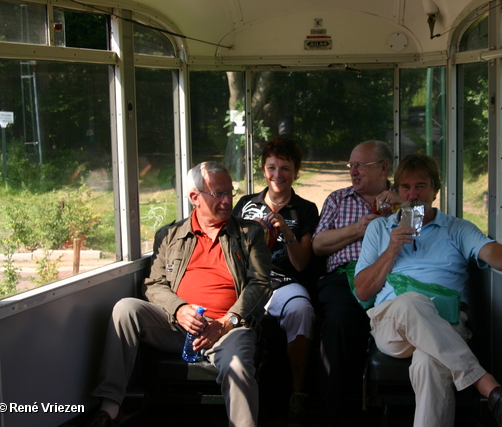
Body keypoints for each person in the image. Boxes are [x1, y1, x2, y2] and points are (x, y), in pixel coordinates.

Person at [86, 161, 272, 427]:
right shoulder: (170, 235)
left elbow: (261, 284)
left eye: (230, 192)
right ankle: (110, 407)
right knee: (126, 309)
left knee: (238, 365)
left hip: (228, 329)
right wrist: (178, 309)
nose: (228, 200)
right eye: (218, 193)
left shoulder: (248, 233)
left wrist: (226, 322)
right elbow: (153, 284)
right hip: (175, 327)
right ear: (194, 197)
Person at [354, 153, 502, 427]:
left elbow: (489, 250)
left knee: (430, 363)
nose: (413, 195)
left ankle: (488, 392)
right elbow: (364, 291)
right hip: (393, 324)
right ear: (397, 192)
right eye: (406, 187)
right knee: (411, 300)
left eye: (421, 186)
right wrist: (391, 250)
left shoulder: (456, 228)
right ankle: (489, 387)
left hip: (446, 322)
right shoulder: (380, 228)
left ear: (435, 191)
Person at [233, 137, 319, 426]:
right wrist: (250, 237)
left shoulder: (305, 209)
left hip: (284, 281)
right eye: (272, 167)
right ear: (263, 169)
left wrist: (287, 233)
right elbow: (227, 250)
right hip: (247, 280)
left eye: (285, 168)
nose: (278, 175)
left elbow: (302, 263)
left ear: (296, 171)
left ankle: (298, 391)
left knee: (302, 310)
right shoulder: (246, 205)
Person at [311, 140, 395, 426]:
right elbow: (318, 244)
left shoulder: (403, 200)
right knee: (340, 319)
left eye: (360, 165)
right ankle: (334, 413)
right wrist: (361, 228)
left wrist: (397, 210)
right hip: (343, 276)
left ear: (383, 168)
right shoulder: (338, 199)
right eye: (351, 165)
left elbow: (420, 240)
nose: (353, 171)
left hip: (391, 276)